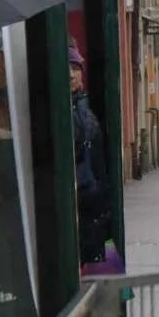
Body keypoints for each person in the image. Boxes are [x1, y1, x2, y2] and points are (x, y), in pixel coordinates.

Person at [69, 44, 110, 265]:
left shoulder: (83, 105)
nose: (71, 74)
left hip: (93, 193)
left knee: (101, 263)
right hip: (81, 192)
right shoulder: (69, 107)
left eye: (75, 67)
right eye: (67, 66)